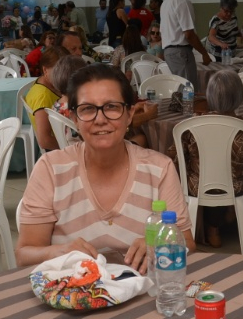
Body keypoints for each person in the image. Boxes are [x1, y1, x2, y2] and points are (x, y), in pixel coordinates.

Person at [16, 65, 195, 269]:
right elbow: (24, 254)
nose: (100, 119)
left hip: (144, 292)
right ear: (74, 118)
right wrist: (59, 251)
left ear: (129, 114)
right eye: (88, 109)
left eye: (112, 107)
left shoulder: (159, 169)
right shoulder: (50, 169)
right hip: (72, 294)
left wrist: (158, 245)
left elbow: (187, 243)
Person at [168, 70, 243, 248]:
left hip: (195, 186)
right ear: (240, 96)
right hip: (236, 186)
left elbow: (175, 159)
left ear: (209, 96)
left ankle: (209, 228)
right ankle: (224, 220)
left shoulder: (190, 126)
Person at [161, 0, 212, 89]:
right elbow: (189, 34)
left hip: (169, 51)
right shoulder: (182, 2)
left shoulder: (167, 1)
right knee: (188, 90)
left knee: (180, 88)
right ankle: (188, 108)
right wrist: (204, 53)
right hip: (181, 51)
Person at [25, 46, 69, 151]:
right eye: (58, 71)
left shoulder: (49, 84)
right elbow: (45, 140)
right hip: (60, 149)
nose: (64, 75)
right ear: (45, 70)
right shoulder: (42, 96)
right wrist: (72, 148)